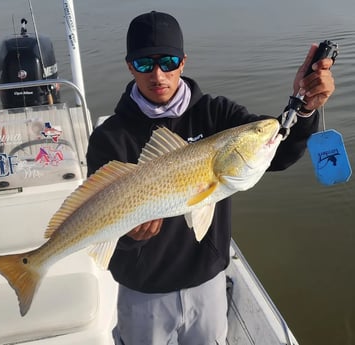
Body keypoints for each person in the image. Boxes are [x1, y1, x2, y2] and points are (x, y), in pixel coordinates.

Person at [86, 11, 335, 345]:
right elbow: (98, 218)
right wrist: (132, 236)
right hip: (143, 290)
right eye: (145, 64)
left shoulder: (217, 114)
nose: (158, 74)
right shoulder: (110, 137)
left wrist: (303, 109)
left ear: (183, 62)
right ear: (130, 66)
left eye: (169, 61)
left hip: (207, 283)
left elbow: (277, 152)